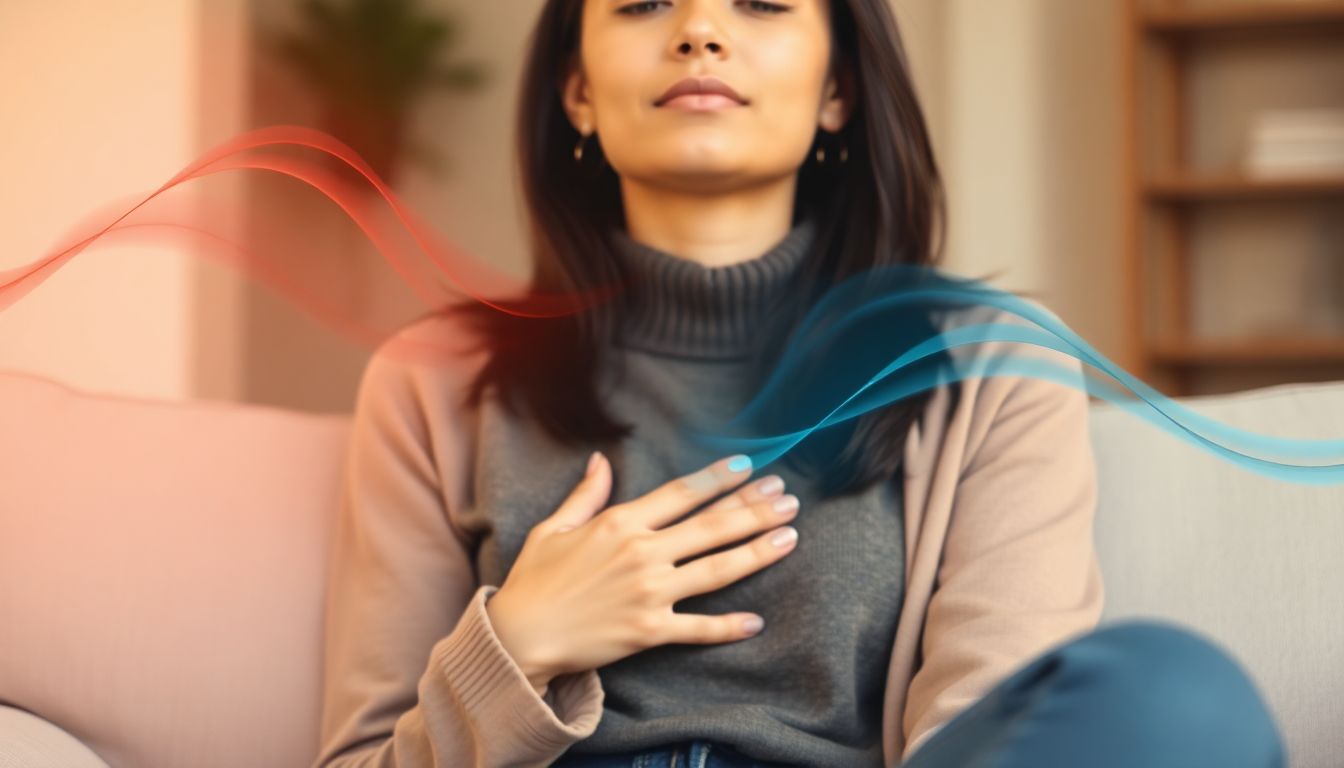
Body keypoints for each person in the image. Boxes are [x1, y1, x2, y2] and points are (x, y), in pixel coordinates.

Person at [312, 1, 1286, 766]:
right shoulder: (432, 381)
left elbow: (990, 726)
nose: (699, 30)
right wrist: (517, 646)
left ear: (838, 90)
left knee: (1179, 694)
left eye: (764, 2)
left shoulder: (990, 366)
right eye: (642, 2)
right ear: (577, 92)